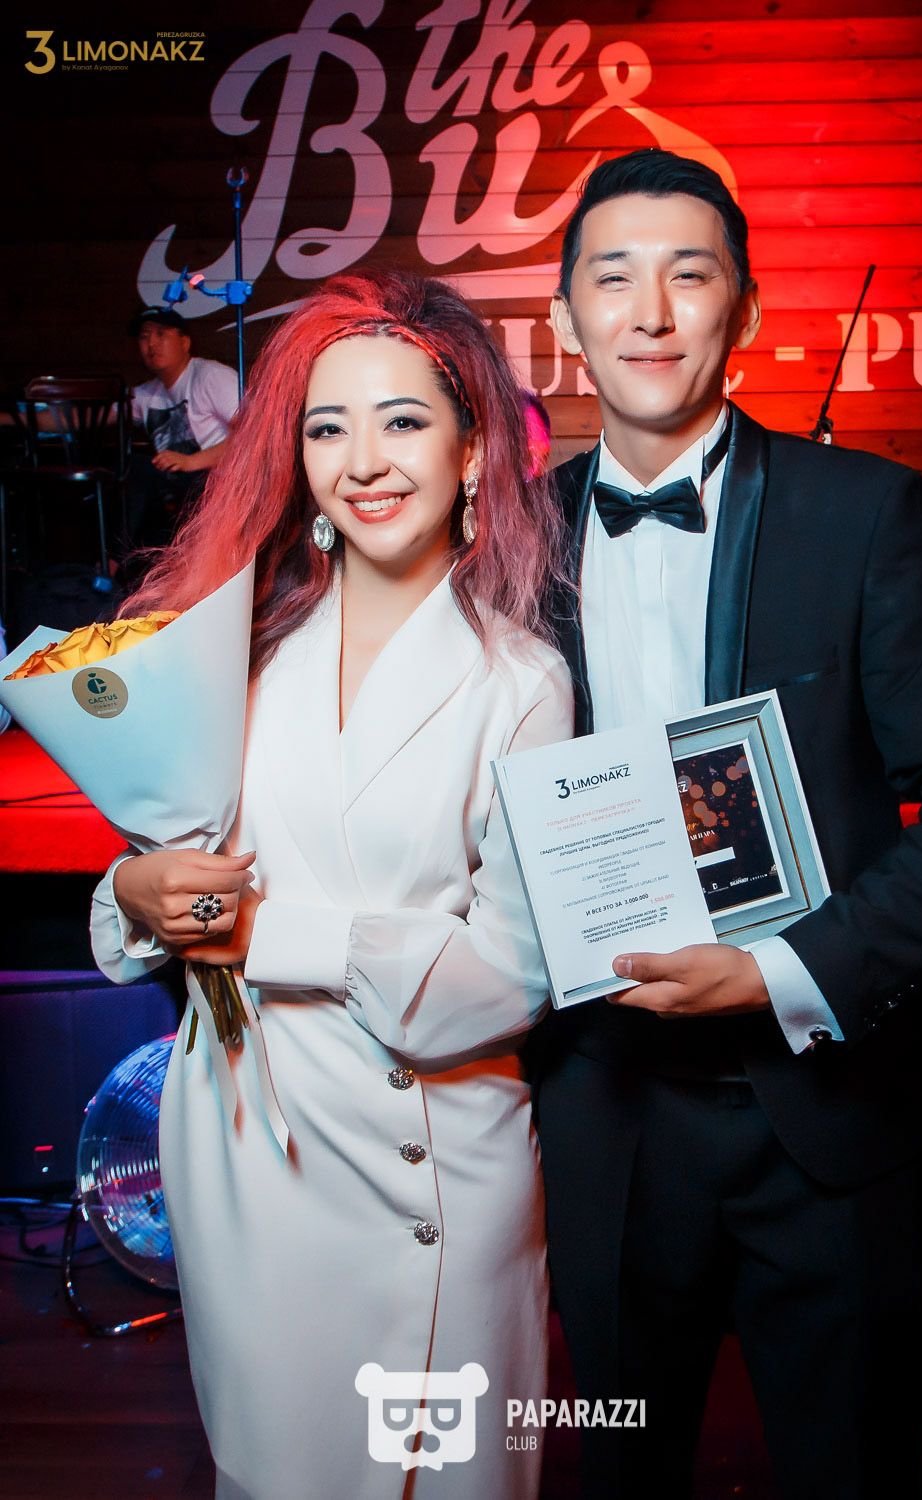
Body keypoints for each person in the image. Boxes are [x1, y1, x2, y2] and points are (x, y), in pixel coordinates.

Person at [530, 147, 922, 1499]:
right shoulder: (509, 538)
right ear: (565, 318)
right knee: (621, 1472)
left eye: (689, 276)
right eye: (613, 279)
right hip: (608, 1111)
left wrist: (783, 969)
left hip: (831, 1104)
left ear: (742, 307)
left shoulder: (867, 515)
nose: (650, 313)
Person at [90, 270, 573, 1500]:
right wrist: (137, 895)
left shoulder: (521, 682)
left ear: (474, 451)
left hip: (436, 1166)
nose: (363, 461)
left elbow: (505, 983)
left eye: (403, 420)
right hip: (252, 1159)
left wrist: (259, 932)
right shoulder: (236, 650)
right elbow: (157, 870)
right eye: (326, 427)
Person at [123, 306, 239, 552]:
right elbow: (86, 415)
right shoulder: (148, 394)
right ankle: (116, 563)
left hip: (225, 483)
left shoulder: (210, 376)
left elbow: (255, 431)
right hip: (179, 489)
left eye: (161, 334)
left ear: (185, 342)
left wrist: (191, 461)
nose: (151, 343)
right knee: (135, 470)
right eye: (144, 337)